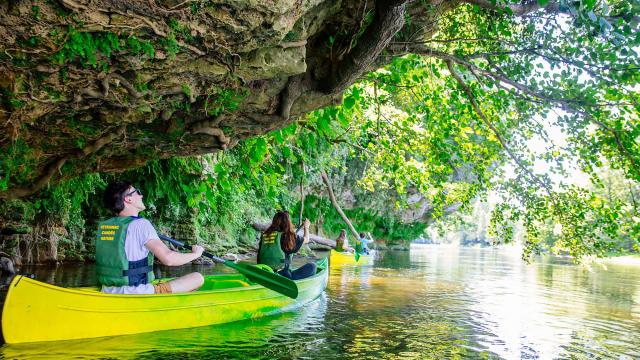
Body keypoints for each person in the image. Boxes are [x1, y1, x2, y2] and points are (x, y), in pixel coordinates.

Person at [96, 180, 205, 295]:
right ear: (128, 199)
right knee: (198, 278)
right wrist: (196, 254)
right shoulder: (141, 224)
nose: (141, 195)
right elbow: (169, 259)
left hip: (107, 289)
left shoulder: (107, 225)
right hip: (136, 292)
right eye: (137, 192)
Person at [257, 211, 317, 280]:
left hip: (264, 273)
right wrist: (306, 227)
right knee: (313, 266)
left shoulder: (265, 235)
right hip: (283, 276)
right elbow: (306, 239)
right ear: (288, 223)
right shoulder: (288, 236)